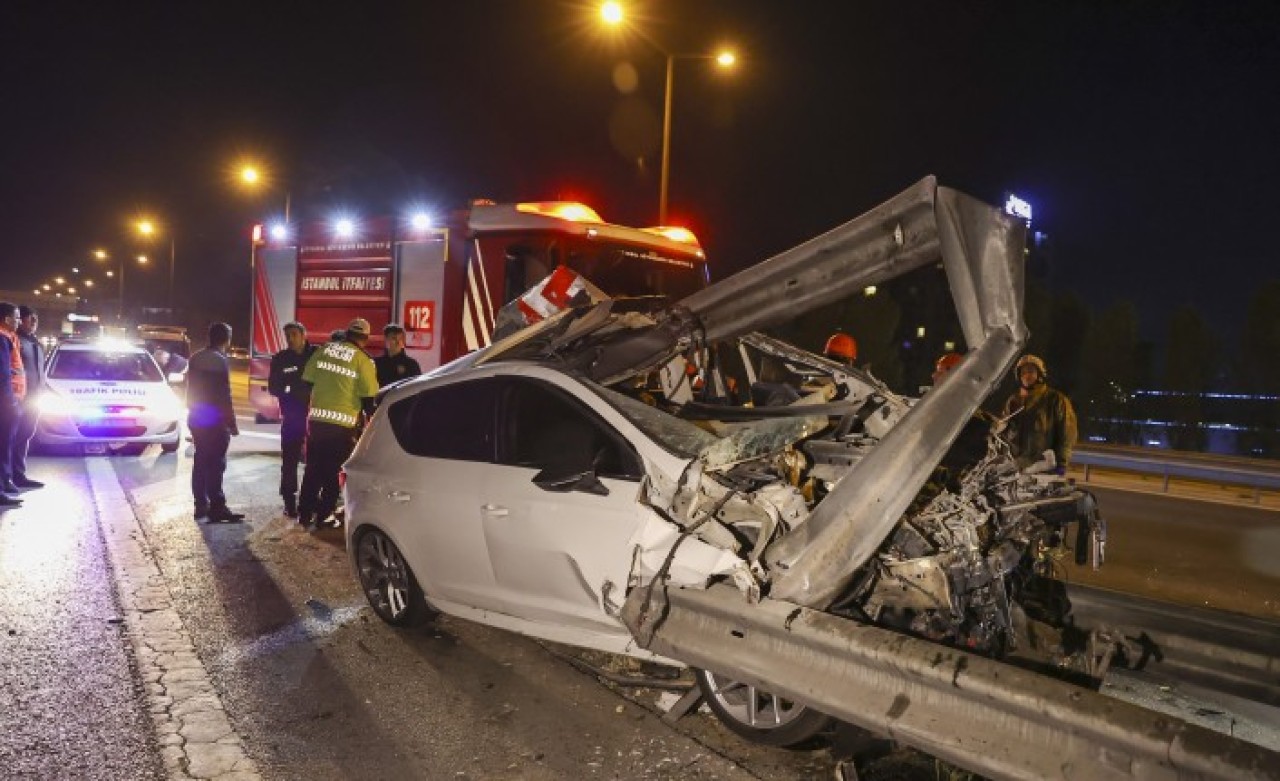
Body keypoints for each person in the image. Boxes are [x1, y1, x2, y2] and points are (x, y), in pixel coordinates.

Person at [298, 318, 378, 530]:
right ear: (366, 339)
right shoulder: (363, 360)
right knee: (333, 471)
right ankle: (324, 515)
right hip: (341, 426)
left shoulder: (325, 349)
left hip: (316, 422)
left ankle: (304, 513)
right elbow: (369, 399)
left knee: (313, 468)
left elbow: (306, 381)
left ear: (347, 333)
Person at [186, 322, 243, 523]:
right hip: (214, 421)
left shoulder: (195, 358)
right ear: (227, 339)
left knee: (201, 460)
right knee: (216, 464)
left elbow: (190, 391)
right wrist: (232, 423)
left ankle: (200, 505)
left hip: (196, 418)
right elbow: (223, 396)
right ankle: (217, 507)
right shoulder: (219, 361)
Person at [268, 321, 315, 518]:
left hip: (316, 416)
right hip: (293, 416)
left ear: (304, 335)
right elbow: (273, 387)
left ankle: (311, 500)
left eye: (294, 334)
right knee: (289, 460)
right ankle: (289, 500)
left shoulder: (316, 355)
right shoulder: (280, 359)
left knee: (315, 461)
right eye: (287, 336)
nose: (290, 339)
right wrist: (291, 393)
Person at [1001, 354, 1078, 473]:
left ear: (1040, 375)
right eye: (1023, 372)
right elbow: (1004, 432)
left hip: (1042, 465)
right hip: (1015, 467)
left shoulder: (1056, 399)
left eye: (1031, 371)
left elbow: (1067, 434)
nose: (1026, 375)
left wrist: (1061, 462)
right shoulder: (1013, 401)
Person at [11, 306, 45, 489]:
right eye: (30, 319)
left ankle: (18, 475)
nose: (34, 323)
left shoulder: (36, 343)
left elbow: (40, 373)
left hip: (35, 398)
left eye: (36, 320)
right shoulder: (15, 340)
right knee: (12, 437)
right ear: (21, 320)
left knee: (25, 435)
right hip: (18, 399)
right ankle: (7, 477)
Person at [0, 303, 23, 507]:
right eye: (16, 317)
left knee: (6, 445)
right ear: (7, 319)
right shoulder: (2, 338)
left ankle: (5, 482)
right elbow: (3, 374)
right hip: (5, 403)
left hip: (9, 400)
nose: (19, 321)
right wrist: (9, 402)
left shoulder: (8, 338)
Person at [374, 323, 422, 387]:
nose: (398, 342)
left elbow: (417, 388)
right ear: (386, 340)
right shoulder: (377, 363)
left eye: (401, 339)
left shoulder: (411, 365)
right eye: (394, 338)